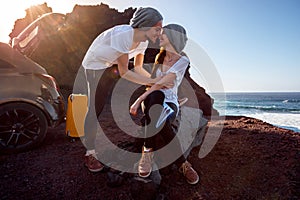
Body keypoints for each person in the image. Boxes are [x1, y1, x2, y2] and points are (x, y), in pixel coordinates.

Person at [81, 7, 166, 172]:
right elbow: (124, 72)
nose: (159, 33)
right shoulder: (125, 35)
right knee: (95, 107)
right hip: (94, 64)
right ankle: (89, 153)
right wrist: (154, 81)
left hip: (109, 63)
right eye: (158, 28)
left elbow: (138, 68)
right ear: (146, 25)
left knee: (98, 103)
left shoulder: (144, 41)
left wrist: (152, 81)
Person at [130, 24, 199, 184]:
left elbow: (162, 83)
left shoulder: (183, 60)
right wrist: (154, 86)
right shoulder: (159, 58)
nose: (160, 36)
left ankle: (147, 151)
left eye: (164, 34)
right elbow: (155, 84)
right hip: (152, 99)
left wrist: (138, 99)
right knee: (156, 95)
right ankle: (184, 164)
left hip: (169, 103)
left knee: (156, 116)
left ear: (174, 37)